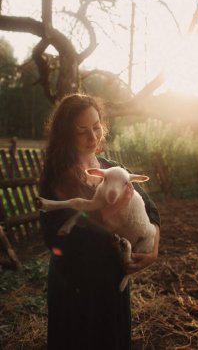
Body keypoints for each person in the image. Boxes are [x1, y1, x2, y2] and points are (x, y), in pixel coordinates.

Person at [39, 93, 161, 350]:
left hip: (112, 283)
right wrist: (104, 216)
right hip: (75, 287)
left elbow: (150, 209)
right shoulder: (56, 178)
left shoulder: (113, 168)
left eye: (96, 127)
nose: (93, 137)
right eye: (82, 130)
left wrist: (153, 249)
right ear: (65, 134)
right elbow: (54, 238)